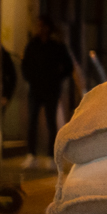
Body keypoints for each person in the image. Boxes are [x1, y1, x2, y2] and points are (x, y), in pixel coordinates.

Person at [22, 17, 80, 172]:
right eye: (38, 26)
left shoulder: (56, 46)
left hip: (51, 89)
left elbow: (68, 66)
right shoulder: (33, 45)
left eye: (42, 26)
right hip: (35, 88)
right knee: (32, 122)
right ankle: (31, 155)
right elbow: (25, 65)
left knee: (51, 122)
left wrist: (57, 78)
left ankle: (50, 157)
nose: (39, 29)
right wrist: (31, 78)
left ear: (48, 28)